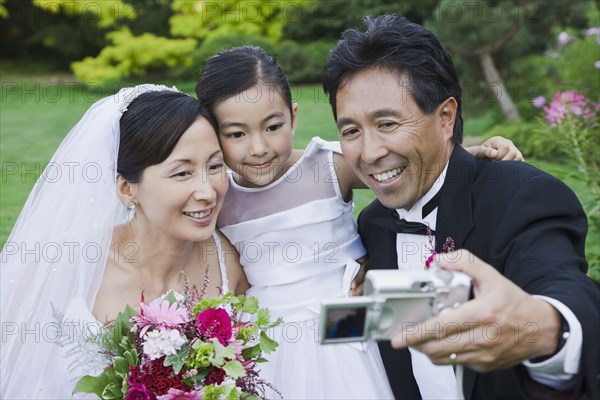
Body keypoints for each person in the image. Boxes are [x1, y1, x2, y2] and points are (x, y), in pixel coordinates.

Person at [196, 45, 524, 399]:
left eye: (273, 126)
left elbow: (416, 166)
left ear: (293, 116)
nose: (258, 147)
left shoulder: (327, 166)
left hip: (346, 327)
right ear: (213, 136)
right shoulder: (221, 199)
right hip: (270, 341)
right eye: (236, 134)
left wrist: (483, 152)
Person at [322, 14, 600, 400]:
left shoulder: (521, 197)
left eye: (387, 124)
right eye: (351, 131)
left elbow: (566, 289)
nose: (369, 153)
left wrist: (545, 328)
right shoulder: (373, 225)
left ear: (446, 117)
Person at [0, 85, 249, 397]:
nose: (207, 191)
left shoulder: (230, 262)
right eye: (182, 173)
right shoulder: (63, 263)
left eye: (214, 166)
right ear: (126, 188)